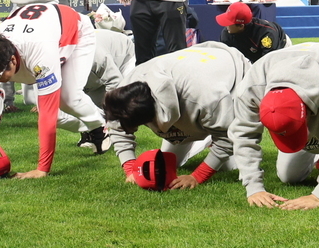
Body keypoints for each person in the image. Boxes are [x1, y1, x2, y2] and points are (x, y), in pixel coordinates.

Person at [0, 2, 108, 177]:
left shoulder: (40, 52)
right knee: (60, 112)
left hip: (73, 32)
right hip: (38, 32)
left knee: (69, 99)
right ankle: (93, 128)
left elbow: (48, 113)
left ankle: (102, 126)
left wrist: (42, 169)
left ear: (13, 60)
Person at [229, 42, 319, 210]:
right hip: (300, 72)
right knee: (289, 176)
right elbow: (243, 135)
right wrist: (253, 187)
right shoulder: (251, 88)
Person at [103, 42, 251, 189]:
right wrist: (130, 169)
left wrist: (196, 177)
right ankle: (203, 136)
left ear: (152, 118)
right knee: (171, 164)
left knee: (230, 167)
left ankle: (210, 133)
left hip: (234, 71)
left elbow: (228, 137)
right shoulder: (126, 89)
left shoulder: (206, 97)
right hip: (191, 67)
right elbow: (118, 128)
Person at [215, 1, 289, 63]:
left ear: (241, 26)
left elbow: (268, 62)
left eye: (230, 23)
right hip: (251, 52)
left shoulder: (266, 34)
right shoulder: (226, 33)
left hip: (279, 46)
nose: (226, 25)